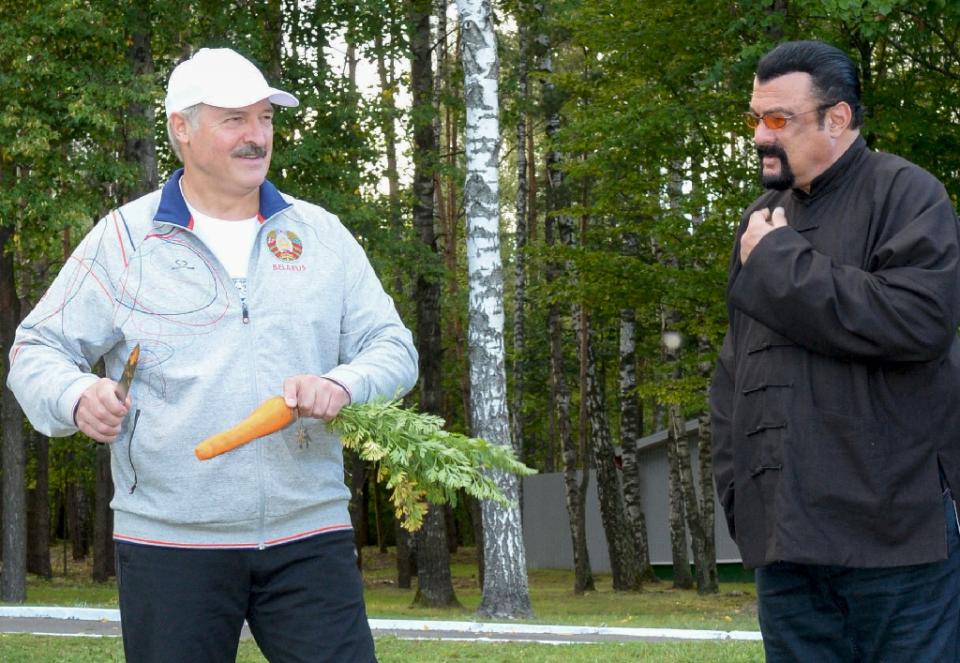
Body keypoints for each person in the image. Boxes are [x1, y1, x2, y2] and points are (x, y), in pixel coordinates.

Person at [7, 47, 417, 663]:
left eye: (266, 119)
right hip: (170, 543)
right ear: (182, 129)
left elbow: (394, 348)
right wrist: (75, 396)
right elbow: (35, 348)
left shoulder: (320, 235)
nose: (257, 137)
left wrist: (346, 383)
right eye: (234, 120)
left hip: (311, 535)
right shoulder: (125, 241)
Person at [710, 40, 960, 661]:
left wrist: (780, 261)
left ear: (838, 119)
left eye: (779, 120)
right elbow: (734, 372)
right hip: (787, 550)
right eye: (755, 120)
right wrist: (743, 498)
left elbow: (918, 322)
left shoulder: (905, 193)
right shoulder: (762, 217)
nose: (761, 138)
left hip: (895, 545)